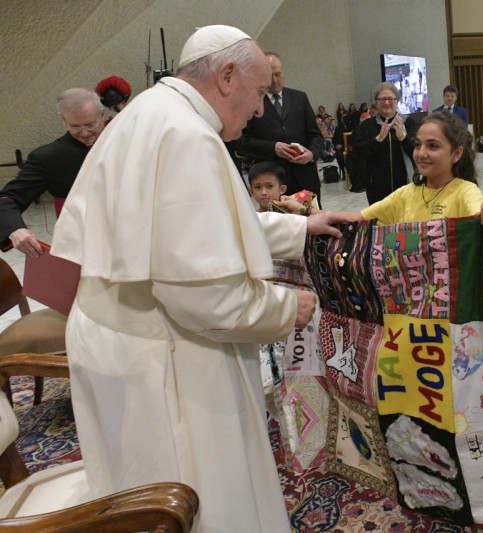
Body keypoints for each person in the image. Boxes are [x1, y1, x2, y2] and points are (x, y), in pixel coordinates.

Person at [50, 25, 345, 533]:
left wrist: (300, 227)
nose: (258, 110)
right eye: (256, 93)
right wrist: (283, 308)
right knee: (194, 495)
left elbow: (203, 227)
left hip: (116, 334)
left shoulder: (150, 112)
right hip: (161, 356)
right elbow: (202, 296)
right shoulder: (187, 137)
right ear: (227, 76)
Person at [282, 111, 483, 226]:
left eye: (433, 146)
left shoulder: (465, 191)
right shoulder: (407, 193)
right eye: (418, 145)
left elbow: (479, 213)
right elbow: (358, 218)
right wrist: (304, 210)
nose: (421, 153)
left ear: (457, 153)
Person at [0, 88, 104, 256]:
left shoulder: (125, 140)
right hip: (82, 248)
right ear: (63, 119)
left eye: (90, 125)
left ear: (102, 113)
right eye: (75, 126)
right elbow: (7, 199)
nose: (84, 133)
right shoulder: (47, 157)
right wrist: (15, 229)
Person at [234, 52, 325, 204]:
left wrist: (312, 154)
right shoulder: (251, 100)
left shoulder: (299, 98)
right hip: (271, 182)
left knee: (313, 224)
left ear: (283, 71)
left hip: (305, 178)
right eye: (270, 76)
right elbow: (241, 141)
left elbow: (316, 135)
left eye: (278, 74)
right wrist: (273, 148)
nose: (275, 80)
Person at [350, 82, 417, 205]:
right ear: (376, 102)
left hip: (405, 187)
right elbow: (358, 153)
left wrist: (403, 138)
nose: (386, 102)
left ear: (397, 102)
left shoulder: (408, 123)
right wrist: (377, 140)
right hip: (376, 189)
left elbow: (417, 153)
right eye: (382, 99)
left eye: (391, 99)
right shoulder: (367, 126)